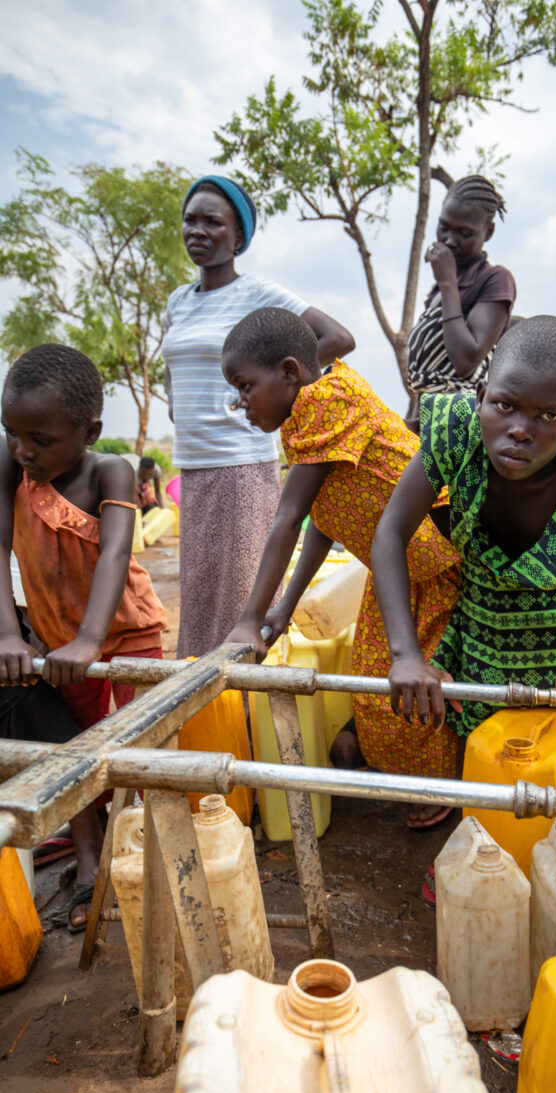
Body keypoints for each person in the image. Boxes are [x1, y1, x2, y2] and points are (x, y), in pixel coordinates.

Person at [372, 316, 556, 797]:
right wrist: (406, 654)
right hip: (480, 641)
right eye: (505, 406)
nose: (520, 430)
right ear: (482, 397)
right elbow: (391, 531)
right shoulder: (457, 432)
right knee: (477, 782)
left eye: (548, 417)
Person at [222, 307, 462, 822]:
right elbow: (322, 520)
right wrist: (284, 605)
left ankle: (442, 788)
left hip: (438, 559)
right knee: (373, 679)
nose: (240, 403)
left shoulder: (324, 403)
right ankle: (404, 773)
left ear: (289, 372)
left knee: (426, 677)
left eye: (245, 386)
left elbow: (287, 518)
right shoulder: (310, 408)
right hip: (396, 565)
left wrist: (247, 620)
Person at [0, 344, 167, 930]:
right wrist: (9, 637)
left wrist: (92, 639)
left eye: (40, 440)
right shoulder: (10, 465)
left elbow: (117, 551)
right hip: (59, 642)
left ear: (89, 430)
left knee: (144, 750)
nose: (24, 450)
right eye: (12, 432)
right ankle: (93, 861)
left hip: (124, 630)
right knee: (85, 751)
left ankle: (158, 851)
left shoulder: (110, 471)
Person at [162, 174, 355, 657]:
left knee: (237, 610)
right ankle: (207, 716)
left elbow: (336, 337)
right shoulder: (177, 303)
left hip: (241, 466)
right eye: (191, 220)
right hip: (194, 466)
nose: (198, 230)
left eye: (213, 221)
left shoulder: (257, 293)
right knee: (202, 603)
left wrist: (262, 394)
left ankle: (241, 717)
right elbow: (174, 372)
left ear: (239, 236)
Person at [405, 176, 516, 432]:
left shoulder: (495, 280)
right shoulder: (438, 293)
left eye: (464, 233)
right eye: (443, 227)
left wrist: (447, 284)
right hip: (427, 426)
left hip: (460, 428)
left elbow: (466, 361)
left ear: (488, 232)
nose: (450, 240)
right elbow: (424, 380)